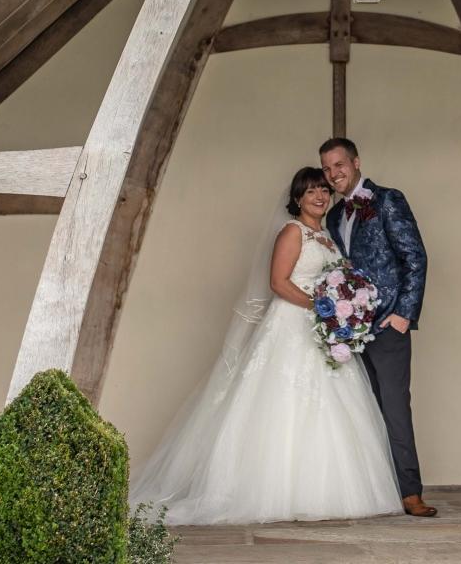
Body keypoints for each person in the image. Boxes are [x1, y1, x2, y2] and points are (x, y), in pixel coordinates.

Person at [128, 167, 401, 525]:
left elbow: (337, 279)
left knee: (333, 404)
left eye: (323, 189)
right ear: (297, 199)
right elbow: (278, 282)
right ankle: (275, 492)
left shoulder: (329, 236)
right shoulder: (292, 232)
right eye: (310, 192)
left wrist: (339, 311)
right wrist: (323, 308)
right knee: (283, 404)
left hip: (325, 331)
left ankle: (325, 492)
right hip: (293, 326)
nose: (319, 196)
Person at [319, 137, 436, 518]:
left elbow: (414, 258)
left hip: (388, 326)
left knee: (395, 408)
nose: (334, 174)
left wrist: (404, 314)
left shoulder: (388, 200)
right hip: (351, 331)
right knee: (362, 410)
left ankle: (410, 492)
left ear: (355, 163)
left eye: (339, 165)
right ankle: (378, 491)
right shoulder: (335, 217)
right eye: (327, 168)